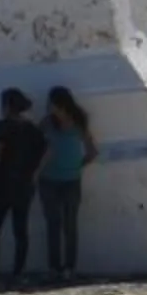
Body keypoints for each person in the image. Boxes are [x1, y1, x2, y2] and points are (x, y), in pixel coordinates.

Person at [0, 88, 47, 282]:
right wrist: (35, 174)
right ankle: (18, 270)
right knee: (20, 228)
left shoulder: (1, 127)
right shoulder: (32, 129)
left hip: (5, 182)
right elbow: (46, 151)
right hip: (25, 183)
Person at [38, 84, 97, 279]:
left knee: (70, 225)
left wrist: (77, 165)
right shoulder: (47, 124)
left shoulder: (79, 121)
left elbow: (91, 150)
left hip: (71, 180)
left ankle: (69, 267)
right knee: (53, 224)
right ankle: (54, 267)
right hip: (49, 180)